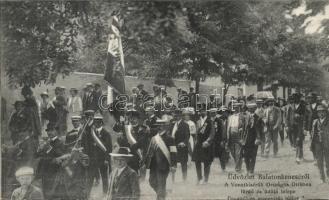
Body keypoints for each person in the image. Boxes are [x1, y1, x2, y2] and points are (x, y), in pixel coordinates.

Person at [144, 119, 177, 200]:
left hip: (164, 165)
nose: (160, 127)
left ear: (165, 127)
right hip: (153, 165)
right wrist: (145, 163)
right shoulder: (154, 138)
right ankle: (162, 193)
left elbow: (173, 153)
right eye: (158, 126)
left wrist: (174, 165)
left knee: (161, 183)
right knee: (152, 182)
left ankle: (161, 197)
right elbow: (150, 152)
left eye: (162, 126)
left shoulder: (170, 139)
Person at [82, 112, 112, 196]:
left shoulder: (106, 133)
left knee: (104, 178)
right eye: (95, 122)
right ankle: (87, 195)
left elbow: (109, 148)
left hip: (103, 159)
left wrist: (107, 159)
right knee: (90, 177)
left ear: (101, 122)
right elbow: (86, 132)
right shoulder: (91, 133)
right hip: (93, 159)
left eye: (98, 122)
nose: (97, 123)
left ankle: (105, 194)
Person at [35, 124, 66, 199]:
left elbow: (61, 155)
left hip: (53, 171)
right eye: (48, 131)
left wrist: (49, 147)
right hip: (44, 171)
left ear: (56, 131)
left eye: (52, 130)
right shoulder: (47, 142)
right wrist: (39, 149)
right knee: (45, 192)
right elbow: (38, 155)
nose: (49, 132)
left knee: (52, 192)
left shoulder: (60, 142)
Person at [192, 106, 215, 184]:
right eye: (201, 111)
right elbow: (196, 133)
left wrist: (208, 141)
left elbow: (212, 133)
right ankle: (199, 178)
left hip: (206, 144)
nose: (202, 112)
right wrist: (195, 141)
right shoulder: (198, 121)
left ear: (206, 112)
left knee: (206, 162)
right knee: (197, 161)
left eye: (204, 111)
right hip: (199, 143)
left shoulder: (210, 121)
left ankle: (206, 179)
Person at [227, 102, 249, 172]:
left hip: (238, 135)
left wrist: (243, 136)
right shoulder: (230, 117)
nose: (236, 109)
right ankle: (239, 164)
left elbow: (245, 126)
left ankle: (237, 167)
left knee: (238, 152)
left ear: (240, 108)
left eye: (237, 108)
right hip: (231, 135)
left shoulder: (242, 116)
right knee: (232, 152)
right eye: (235, 108)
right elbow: (228, 127)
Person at [286, 93, 307, 164]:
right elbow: (287, 117)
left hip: (300, 126)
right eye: (293, 98)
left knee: (298, 140)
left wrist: (299, 116)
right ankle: (301, 156)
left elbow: (305, 117)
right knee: (297, 142)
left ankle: (297, 157)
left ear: (299, 99)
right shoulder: (291, 107)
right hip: (292, 127)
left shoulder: (303, 106)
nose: (295, 99)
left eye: (296, 98)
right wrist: (287, 125)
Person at [170, 108, 190, 182]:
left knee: (183, 163)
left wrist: (184, 143)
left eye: (178, 115)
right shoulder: (172, 124)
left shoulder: (185, 125)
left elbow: (187, 136)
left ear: (181, 116)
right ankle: (172, 179)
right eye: (175, 115)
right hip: (173, 146)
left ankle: (184, 179)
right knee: (172, 162)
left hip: (181, 146)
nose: (177, 117)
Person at [311, 104, 329, 183]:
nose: (321, 114)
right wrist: (312, 144)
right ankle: (322, 177)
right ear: (317, 113)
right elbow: (313, 134)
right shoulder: (315, 122)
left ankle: (328, 175)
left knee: (328, 161)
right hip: (318, 144)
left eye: (322, 112)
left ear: (325, 112)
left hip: (327, 143)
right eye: (319, 112)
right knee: (319, 161)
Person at [243, 103, 262, 175]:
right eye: (249, 108)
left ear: (255, 109)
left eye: (252, 108)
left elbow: (259, 129)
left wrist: (258, 138)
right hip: (246, 139)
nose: (251, 110)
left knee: (253, 155)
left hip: (254, 138)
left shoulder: (258, 118)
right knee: (246, 155)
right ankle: (247, 169)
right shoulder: (245, 117)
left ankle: (251, 170)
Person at [212, 107, 227, 172]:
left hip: (218, 139)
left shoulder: (219, 121)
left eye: (214, 113)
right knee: (210, 154)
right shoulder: (208, 120)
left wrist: (223, 140)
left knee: (221, 154)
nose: (212, 114)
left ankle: (223, 168)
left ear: (215, 113)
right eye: (211, 113)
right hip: (211, 140)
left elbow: (223, 130)